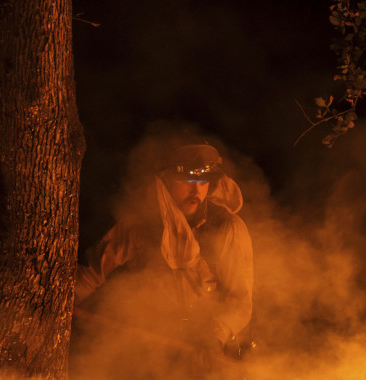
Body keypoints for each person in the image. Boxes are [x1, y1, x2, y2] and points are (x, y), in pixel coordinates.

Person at [75, 142, 253, 361]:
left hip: (212, 354)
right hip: (155, 351)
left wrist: (216, 335)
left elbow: (241, 303)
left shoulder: (227, 228)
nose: (196, 190)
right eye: (187, 181)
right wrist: (59, 304)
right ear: (168, 181)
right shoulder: (141, 225)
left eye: (202, 182)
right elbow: (91, 275)